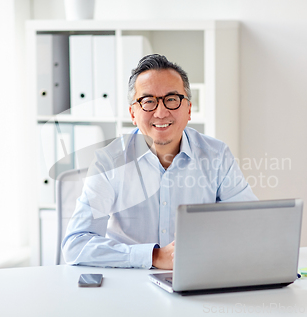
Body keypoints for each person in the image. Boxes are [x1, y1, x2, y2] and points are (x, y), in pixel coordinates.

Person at [62, 54, 257, 270]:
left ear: (189, 109)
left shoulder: (217, 156)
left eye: (172, 99)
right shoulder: (109, 162)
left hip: (198, 280)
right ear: (133, 114)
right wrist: (153, 257)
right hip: (128, 283)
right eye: (148, 102)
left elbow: (248, 225)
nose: (161, 112)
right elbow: (76, 244)